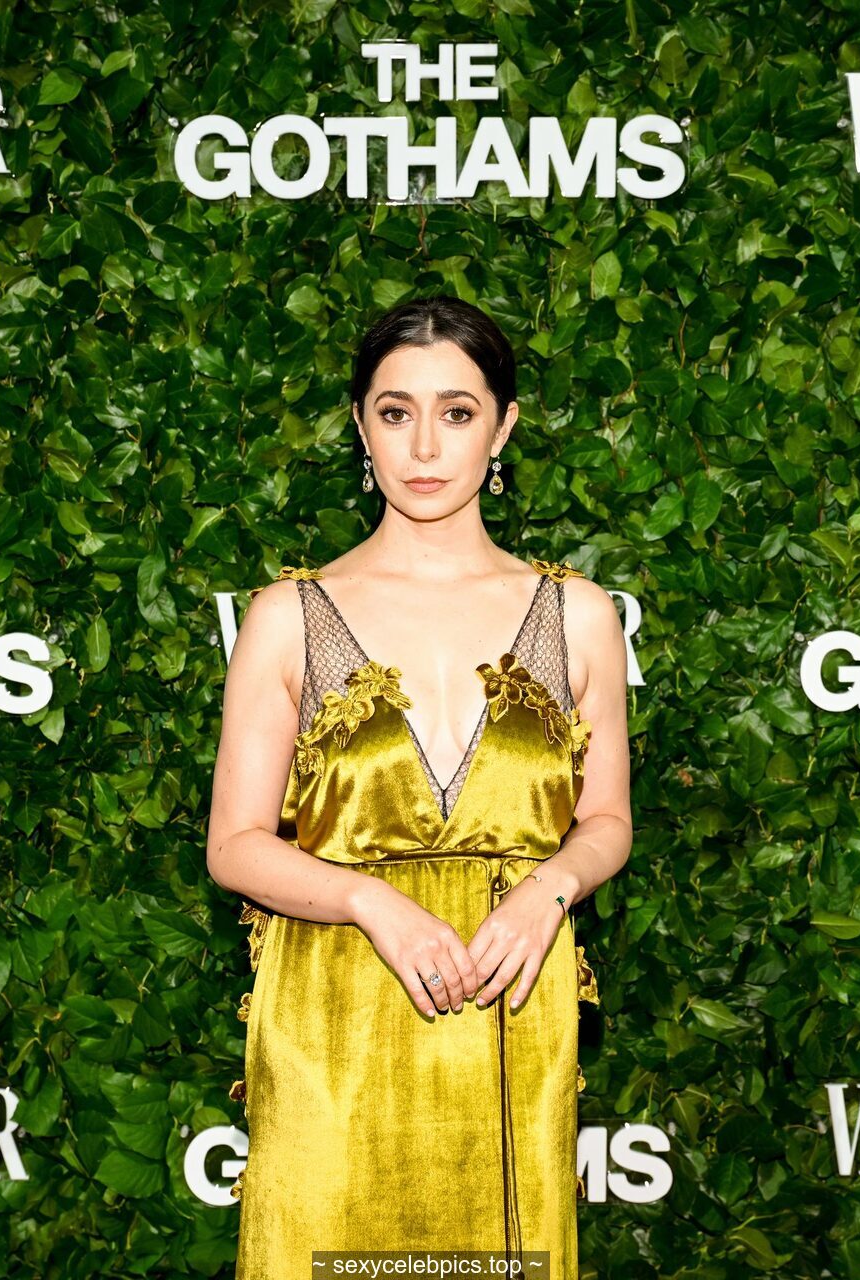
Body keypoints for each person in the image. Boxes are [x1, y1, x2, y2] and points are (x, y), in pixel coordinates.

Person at [207, 295, 632, 1280]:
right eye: (396, 412)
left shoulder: (577, 614)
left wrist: (549, 888)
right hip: (332, 1014)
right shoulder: (287, 615)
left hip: (509, 999)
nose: (425, 446)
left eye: (457, 411)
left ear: (503, 428)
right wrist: (369, 901)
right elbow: (234, 842)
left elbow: (607, 817)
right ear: (361, 427)